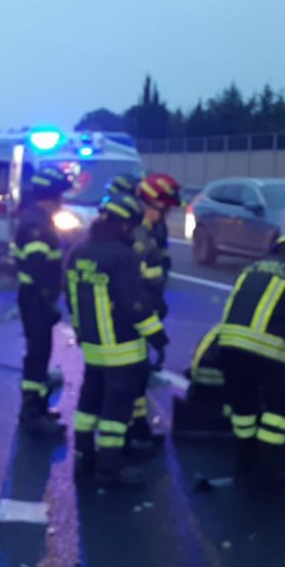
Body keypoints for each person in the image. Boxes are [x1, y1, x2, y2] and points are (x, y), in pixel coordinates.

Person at [67, 192, 168, 487]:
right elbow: (134, 303)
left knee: (89, 403)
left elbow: (71, 299)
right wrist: (157, 335)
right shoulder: (122, 256)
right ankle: (110, 467)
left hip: (93, 347)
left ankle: (84, 458)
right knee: (117, 409)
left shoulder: (79, 250)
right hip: (122, 348)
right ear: (124, 224)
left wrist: (82, 333)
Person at [217, 235, 285, 478]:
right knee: (280, 407)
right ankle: (270, 464)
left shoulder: (252, 268)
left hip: (229, 345)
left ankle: (243, 460)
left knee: (243, 406)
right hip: (268, 350)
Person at [12, 165, 73, 437]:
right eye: (61, 195)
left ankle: (35, 409)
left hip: (35, 300)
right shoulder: (37, 225)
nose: (63, 201)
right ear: (53, 196)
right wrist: (48, 302)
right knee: (37, 358)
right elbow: (38, 268)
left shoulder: (35, 218)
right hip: (36, 301)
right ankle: (32, 415)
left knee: (39, 356)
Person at [123, 172, 182, 454]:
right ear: (151, 202)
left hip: (146, 309)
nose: (167, 214)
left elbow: (158, 268)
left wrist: (159, 300)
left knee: (140, 372)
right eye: (165, 208)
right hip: (134, 315)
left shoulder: (152, 229)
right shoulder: (136, 231)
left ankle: (138, 427)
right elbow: (136, 281)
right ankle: (130, 432)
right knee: (133, 374)